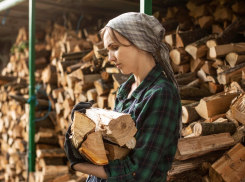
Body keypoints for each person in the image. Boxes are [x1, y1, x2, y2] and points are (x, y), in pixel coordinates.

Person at [64, 12, 182, 182]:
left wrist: (77, 164)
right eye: (108, 50)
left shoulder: (162, 94)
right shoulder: (125, 90)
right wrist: (82, 128)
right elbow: (113, 153)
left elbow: (137, 173)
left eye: (115, 48)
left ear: (139, 43)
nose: (110, 58)